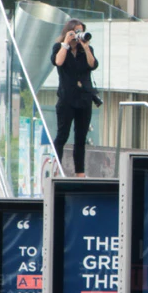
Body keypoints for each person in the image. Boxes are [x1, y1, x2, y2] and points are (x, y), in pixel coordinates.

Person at [51, 19, 98, 176]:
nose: (79, 34)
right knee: (62, 135)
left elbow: (92, 65)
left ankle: (80, 173)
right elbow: (58, 62)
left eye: (81, 31)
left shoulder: (86, 49)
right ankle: (56, 169)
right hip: (66, 99)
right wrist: (66, 43)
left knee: (80, 138)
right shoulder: (59, 47)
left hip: (84, 99)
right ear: (69, 31)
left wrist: (86, 47)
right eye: (76, 31)